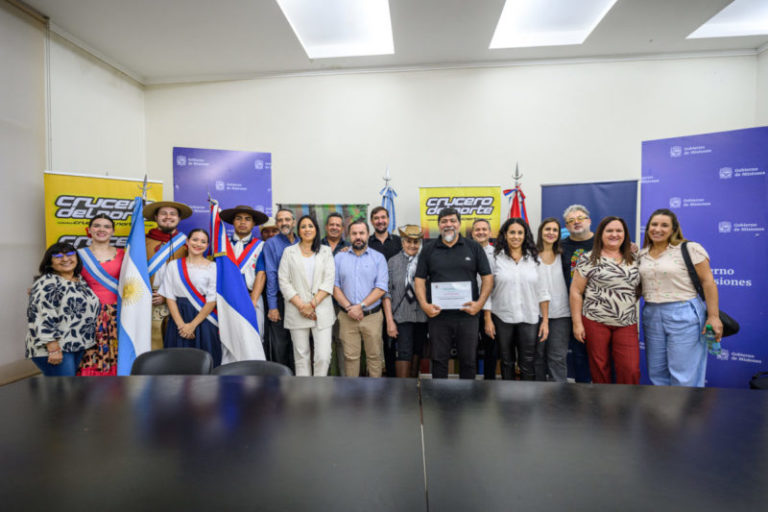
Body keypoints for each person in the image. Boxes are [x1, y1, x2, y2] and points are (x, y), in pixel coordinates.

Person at [638, 208, 723, 387]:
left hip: (684, 312)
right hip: (652, 314)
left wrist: (713, 317)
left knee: (684, 374)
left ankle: (687, 414)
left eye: (664, 225)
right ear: (647, 228)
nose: (657, 229)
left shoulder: (690, 248)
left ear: (673, 229)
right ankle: (663, 413)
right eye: (654, 224)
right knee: (657, 372)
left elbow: (708, 282)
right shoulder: (642, 254)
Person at [414, 207, 493, 379]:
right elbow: (419, 279)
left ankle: (467, 400)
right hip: (438, 315)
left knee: (468, 361)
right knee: (439, 360)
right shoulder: (428, 249)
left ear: (459, 224)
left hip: (467, 315)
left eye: (452, 221)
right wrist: (424, 305)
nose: (448, 224)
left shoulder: (473, 247)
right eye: (444, 221)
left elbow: (487, 278)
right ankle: (440, 400)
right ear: (439, 225)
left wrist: (479, 305)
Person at [570, 216, 640, 384]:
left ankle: (626, 406)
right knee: (599, 367)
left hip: (626, 322)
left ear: (625, 234)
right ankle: (603, 407)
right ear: (601, 234)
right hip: (595, 320)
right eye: (609, 230)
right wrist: (577, 323)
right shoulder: (588, 258)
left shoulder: (635, 258)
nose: (614, 234)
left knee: (630, 369)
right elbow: (576, 291)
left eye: (618, 231)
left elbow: (641, 288)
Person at [483, 218, 550, 381]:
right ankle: (508, 404)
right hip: (502, 317)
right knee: (506, 362)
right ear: (505, 235)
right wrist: (487, 319)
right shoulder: (495, 259)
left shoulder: (535, 259)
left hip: (529, 317)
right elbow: (487, 290)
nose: (516, 236)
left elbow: (543, 292)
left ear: (525, 235)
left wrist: (545, 321)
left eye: (520, 233)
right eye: (512, 232)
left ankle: (528, 403)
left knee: (528, 362)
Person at [26, 243, 100, 376]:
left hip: (76, 345)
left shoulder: (80, 281)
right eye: (58, 256)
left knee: (67, 391)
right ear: (50, 262)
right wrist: (53, 347)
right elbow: (41, 316)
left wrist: (89, 343)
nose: (65, 259)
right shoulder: (47, 283)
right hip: (56, 348)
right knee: (64, 392)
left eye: (70, 254)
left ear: (77, 258)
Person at [279, 215, 336, 376]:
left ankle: (320, 392)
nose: (307, 229)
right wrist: (301, 306)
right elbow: (283, 281)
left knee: (323, 357)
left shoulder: (325, 251)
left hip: (321, 311)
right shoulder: (288, 252)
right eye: (303, 227)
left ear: (316, 229)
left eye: (310, 226)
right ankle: (304, 395)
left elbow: (329, 280)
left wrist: (311, 305)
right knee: (301, 357)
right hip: (297, 310)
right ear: (298, 231)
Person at [333, 218, 388, 377]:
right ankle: (352, 395)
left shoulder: (378, 258)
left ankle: (375, 395)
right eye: (354, 233)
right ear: (349, 235)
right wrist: (350, 308)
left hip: (372, 316)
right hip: (347, 316)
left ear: (368, 235)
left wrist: (360, 306)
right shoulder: (339, 258)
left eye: (361, 233)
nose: (358, 236)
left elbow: (381, 288)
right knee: (350, 357)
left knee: (374, 357)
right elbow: (334, 286)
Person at [158, 229, 221, 366]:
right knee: (178, 363)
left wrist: (192, 326)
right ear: (187, 241)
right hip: (178, 318)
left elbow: (212, 300)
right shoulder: (173, 266)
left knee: (205, 362)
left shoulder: (213, 267)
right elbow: (169, 297)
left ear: (207, 245)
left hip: (204, 319)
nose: (198, 244)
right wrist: (182, 326)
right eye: (195, 239)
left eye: (203, 241)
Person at [77, 214, 126, 376]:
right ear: (89, 230)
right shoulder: (77, 255)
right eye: (97, 226)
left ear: (113, 231)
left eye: (106, 226)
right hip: (88, 314)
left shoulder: (124, 254)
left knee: (118, 352)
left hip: (118, 314)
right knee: (91, 354)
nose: (101, 230)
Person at [143, 200, 192, 350]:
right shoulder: (142, 241)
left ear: (179, 218)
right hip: (149, 299)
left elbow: (193, 276)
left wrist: (167, 295)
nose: (168, 217)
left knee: (176, 344)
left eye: (172, 214)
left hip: (178, 299)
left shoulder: (188, 244)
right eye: (163, 213)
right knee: (151, 344)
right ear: (156, 217)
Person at [383, 225, 428, 378]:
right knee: (403, 352)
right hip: (401, 316)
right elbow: (386, 292)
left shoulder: (426, 260)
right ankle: (403, 390)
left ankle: (414, 390)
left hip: (422, 316)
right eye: (408, 241)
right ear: (402, 242)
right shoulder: (393, 262)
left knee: (417, 351)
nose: (412, 245)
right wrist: (390, 321)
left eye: (416, 242)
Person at [220, 204, 268, 334]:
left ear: (253, 224)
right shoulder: (223, 247)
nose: (243, 222)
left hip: (251, 296)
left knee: (253, 338)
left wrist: (252, 301)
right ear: (233, 222)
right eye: (238, 218)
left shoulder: (261, 246)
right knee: (229, 338)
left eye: (247, 219)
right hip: (227, 299)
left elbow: (261, 274)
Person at [560, 204, 593, 383]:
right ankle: (582, 395)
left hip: (598, 309)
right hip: (570, 309)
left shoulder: (603, 243)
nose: (576, 223)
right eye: (571, 221)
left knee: (601, 355)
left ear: (589, 221)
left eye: (580, 218)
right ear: (566, 226)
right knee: (579, 355)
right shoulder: (560, 246)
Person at [535, 217, 571, 382]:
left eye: (555, 230)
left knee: (557, 357)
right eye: (547, 229)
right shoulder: (530, 255)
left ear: (559, 234)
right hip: (535, 314)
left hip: (561, 314)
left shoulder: (564, 254)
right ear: (541, 231)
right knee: (537, 357)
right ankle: (537, 399)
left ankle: (560, 396)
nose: (551, 233)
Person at [264, 208, 299, 369]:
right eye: (280, 220)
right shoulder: (271, 244)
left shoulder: (304, 241)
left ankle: (299, 384)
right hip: (280, 300)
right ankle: (282, 382)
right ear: (277, 223)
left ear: (293, 222)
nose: (284, 223)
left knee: (300, 344)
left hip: (302, 301)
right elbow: (271, 275)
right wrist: (273, 306)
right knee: (281, 345)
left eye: (287, 219)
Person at [369, 206, 402, 377]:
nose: (380, 221)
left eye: (383, 217)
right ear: (372, 221)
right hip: (373, 301)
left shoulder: (399, 242)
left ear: (388, 220)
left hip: (397, 300)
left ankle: (395, 378)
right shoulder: (365, 243)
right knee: (376, 344)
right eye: (376, 218)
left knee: (394, 343)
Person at [321, 211, 351, 376]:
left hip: (341, 304)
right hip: (320, 302)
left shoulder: (350, 248)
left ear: (342, 229)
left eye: (337, 225)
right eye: (331, 224)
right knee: (321, 344)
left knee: (342, 343)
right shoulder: (315, 246)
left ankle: (344, 383)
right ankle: (324, 382)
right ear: (326, 227)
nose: (334, 227)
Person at [471, 218, 497, 379]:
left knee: (491, 349)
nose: (481, 232)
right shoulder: (465, 251)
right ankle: (469, 384)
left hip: (492, 308)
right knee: (469, 349)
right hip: (469, 307)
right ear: (472, 233)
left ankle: (489, 383)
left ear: (490, 232)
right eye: (477, 230)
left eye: (484, 229)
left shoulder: (497, 254)